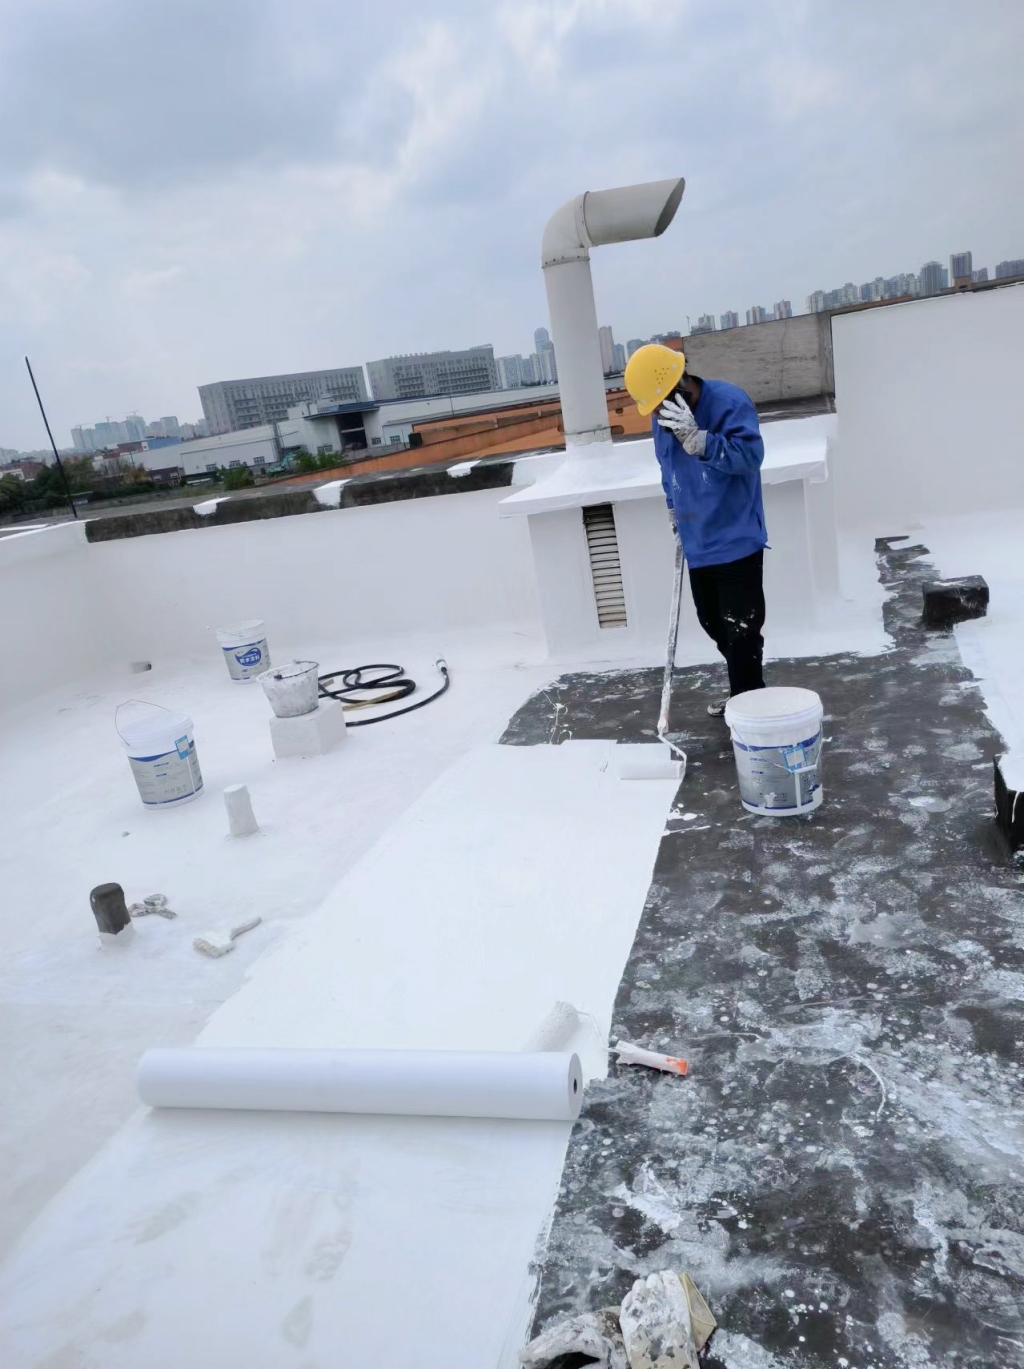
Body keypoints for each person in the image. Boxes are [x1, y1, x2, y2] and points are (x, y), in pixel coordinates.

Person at [623, 342, 767, 716]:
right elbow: (667, 467)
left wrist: (701, 441)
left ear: (681, 387)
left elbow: (751, 457)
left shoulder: (729, 402)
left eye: (660, 404)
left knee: (741, 629)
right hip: (697, 541)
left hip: (735, 537)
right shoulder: (662, 420)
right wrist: (673, 508)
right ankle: (745, 694)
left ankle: (751, 707)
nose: (657, 413)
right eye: (654, 408)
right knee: (714, 623)